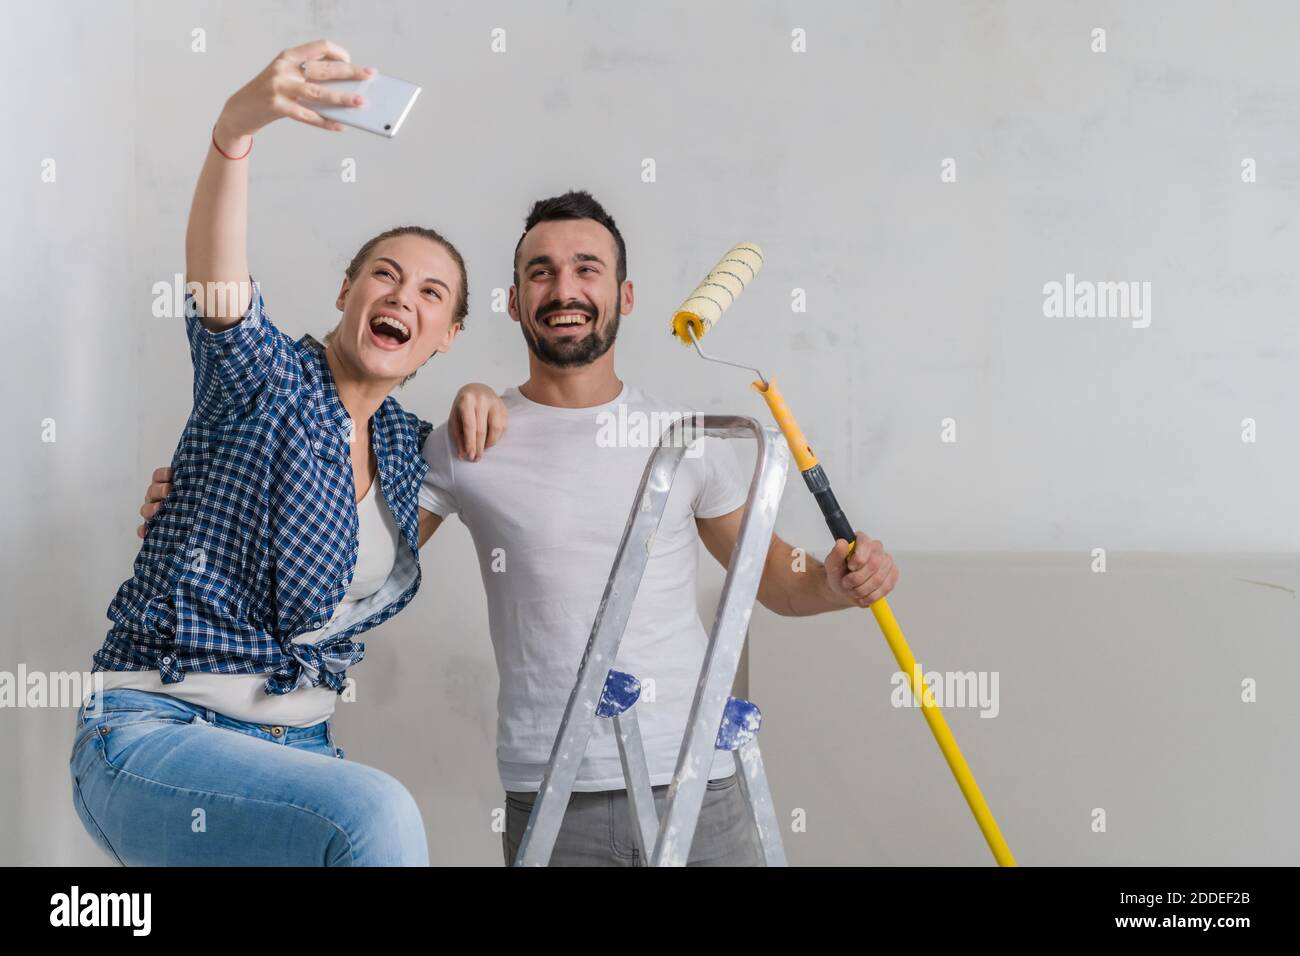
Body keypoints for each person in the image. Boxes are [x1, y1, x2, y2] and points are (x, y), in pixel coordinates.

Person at [143, 190, 899, 866]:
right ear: (513, 300)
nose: (563, 289)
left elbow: (776, 581)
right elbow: (342, 554)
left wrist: (836, 580)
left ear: (625, 294)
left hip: (705, 781)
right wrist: (215, 503)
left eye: (586, 269)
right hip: (556, 792)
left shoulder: (686, 437)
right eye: (541, 272)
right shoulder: (467, 442)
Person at [71, 39, 505, 867]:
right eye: (384, 275)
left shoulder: (411, 454)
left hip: (295, 748)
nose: (399, 297)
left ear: (445, 338)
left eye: (429, 294)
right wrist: (235, 133)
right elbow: (220, 284)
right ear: (347, 294)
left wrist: (482, 398)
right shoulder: (265, 378)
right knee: (376, 814)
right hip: (157, 732)